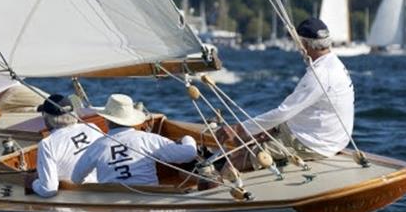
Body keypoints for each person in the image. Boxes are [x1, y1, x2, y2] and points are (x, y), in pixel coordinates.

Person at [216, 17, 354, 161]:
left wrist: (238, 129)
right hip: (329, 136)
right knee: (248, 136)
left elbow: (284, 112)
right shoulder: (334, 63)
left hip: (314, 143)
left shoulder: (320, 74)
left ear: (305, 44)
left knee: (234, 162)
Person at [70, 94, 198, 185]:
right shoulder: (149, 139)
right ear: (131, 119)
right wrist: (188, 138)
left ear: (107, 119)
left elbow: (76, 178)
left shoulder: (97, 146)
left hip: (112, 205)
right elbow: (189, 154)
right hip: (149, 199)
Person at [27, 94, 103, 198]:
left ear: (47, 117)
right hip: (107, 190)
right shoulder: (93, 128)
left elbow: (49, 190)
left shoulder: (47, 144)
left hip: (78, 199)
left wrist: (33, 182)